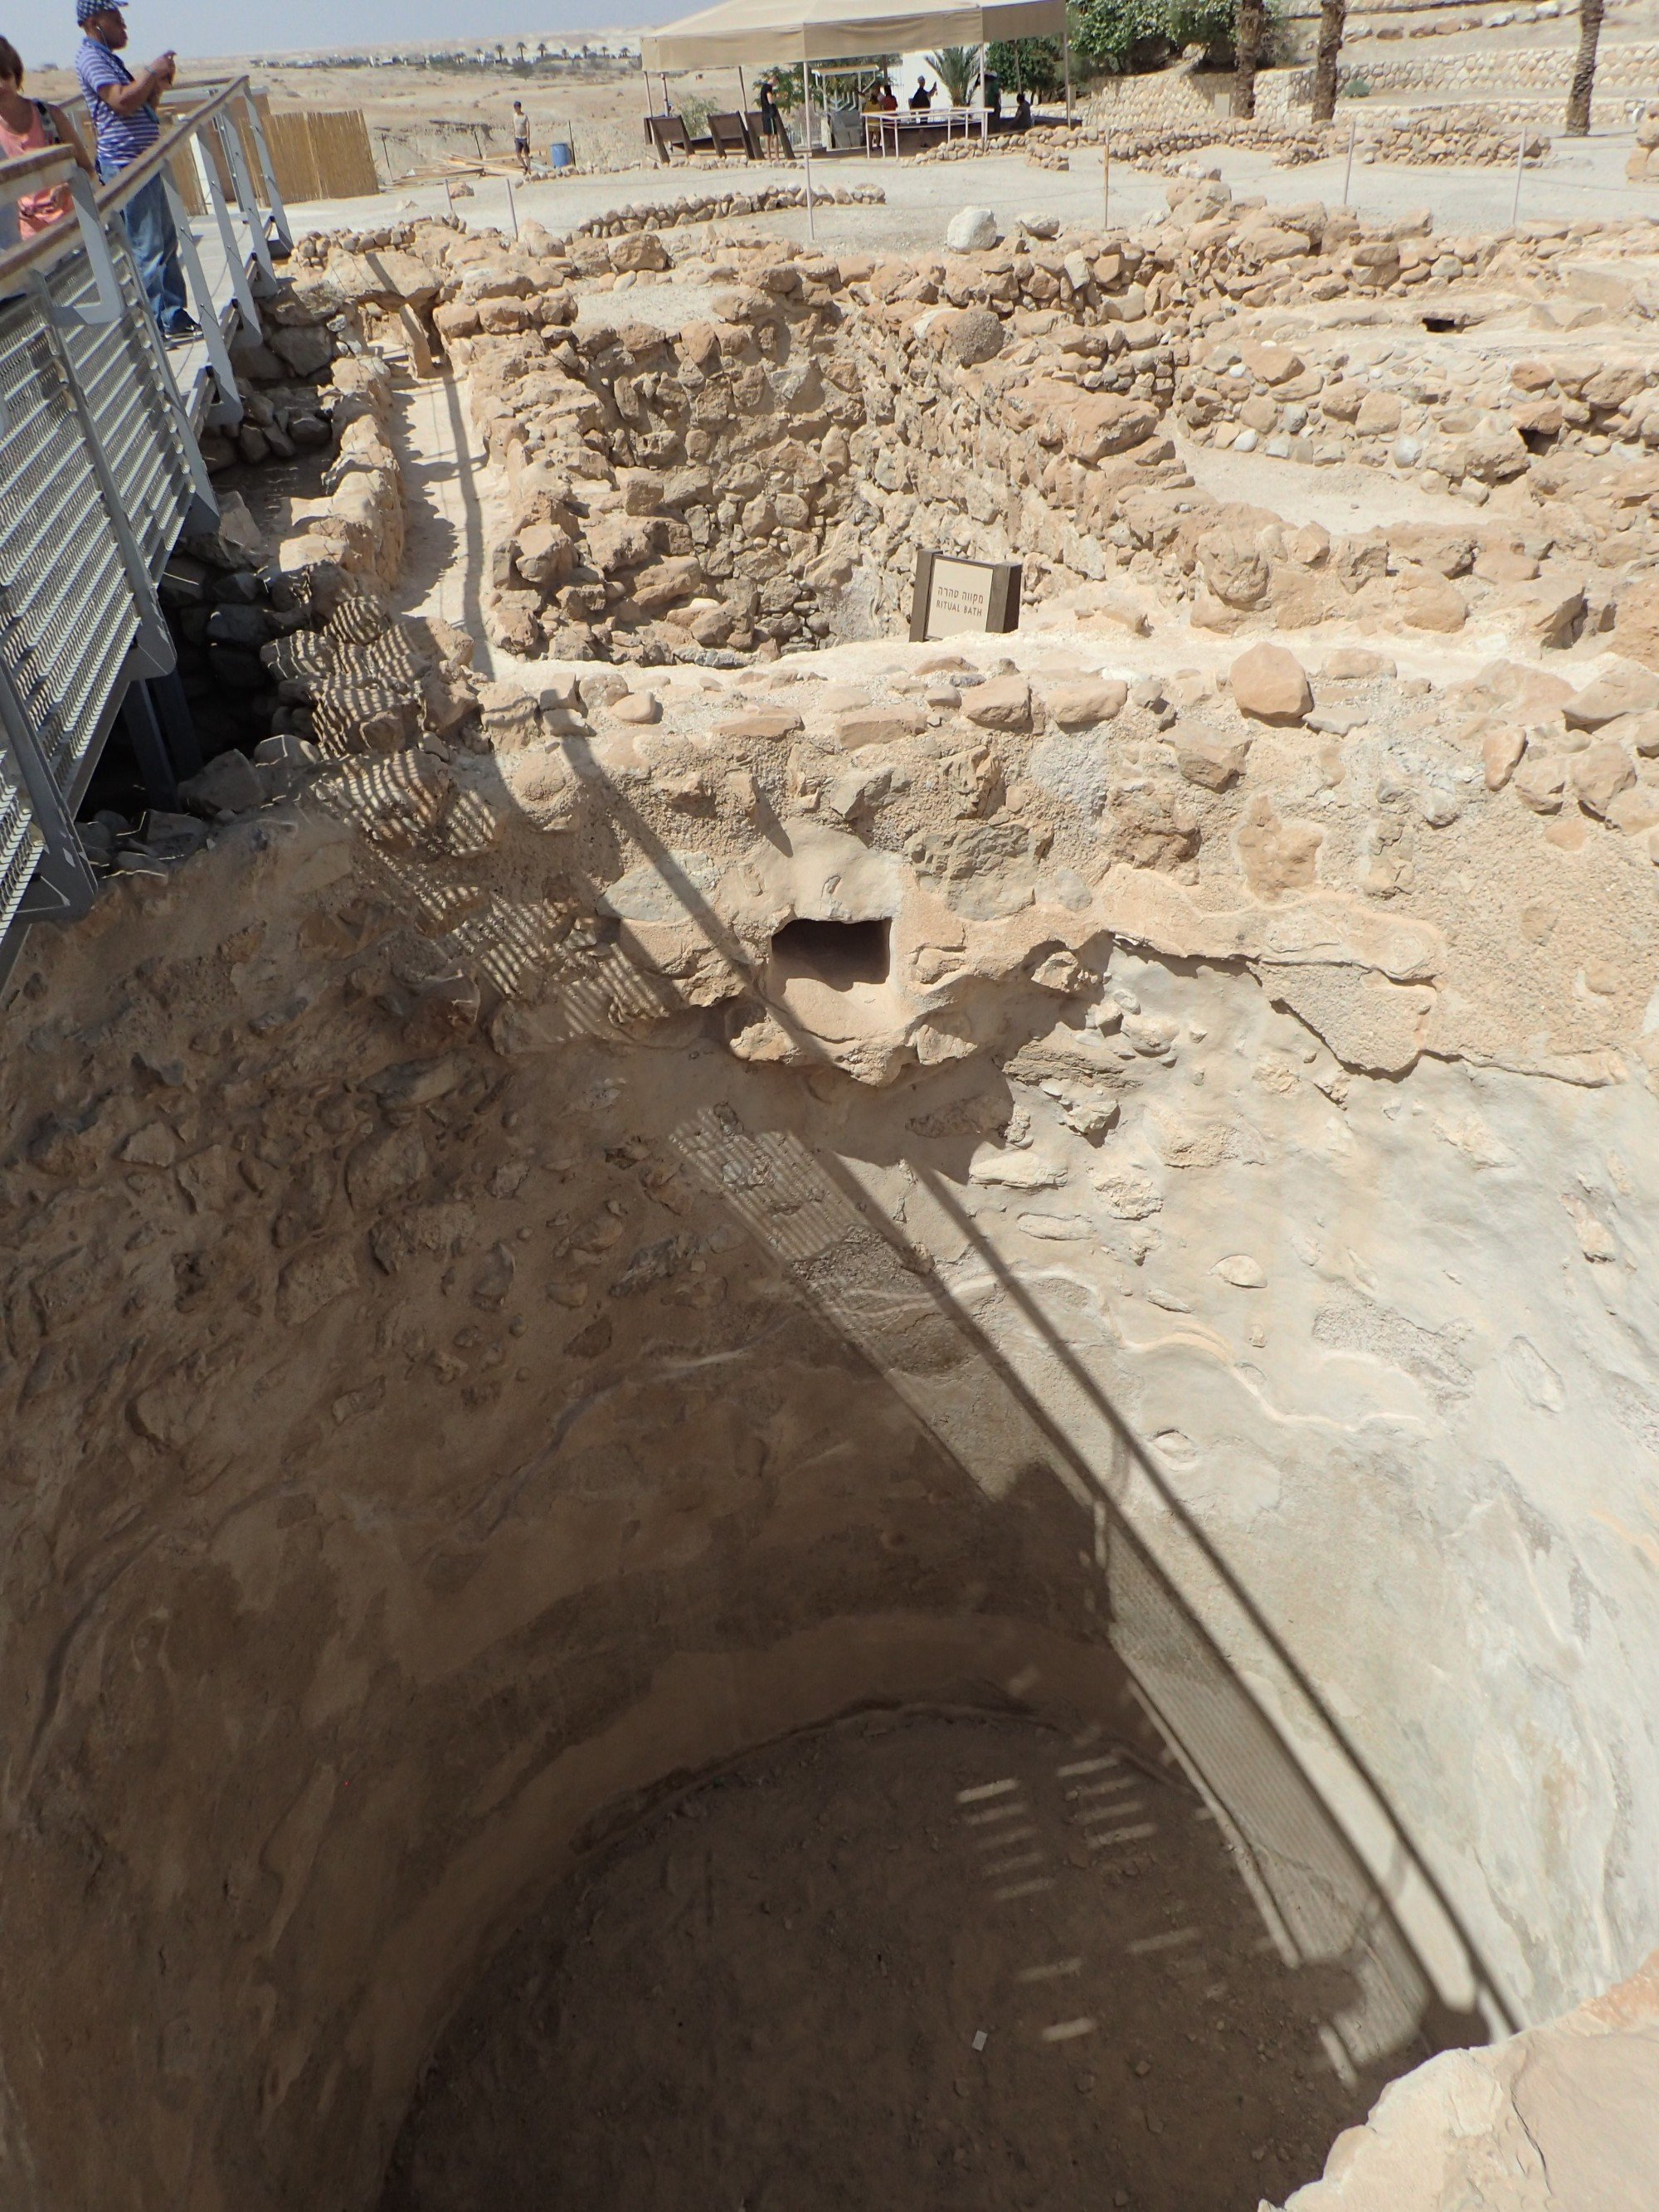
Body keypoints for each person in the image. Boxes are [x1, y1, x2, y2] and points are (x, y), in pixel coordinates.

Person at [74, 0, 199, 344]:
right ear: (95, 21)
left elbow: (141, 108)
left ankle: (174, 317)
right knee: (148, 248)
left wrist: (156, 84)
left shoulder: (108, 59)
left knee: (164, 242)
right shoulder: (91, 58)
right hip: (126, 165)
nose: (123, 26)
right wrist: (148, 71)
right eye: (116, 19)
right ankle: (158, 325)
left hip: (142, 161)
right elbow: (121, 102)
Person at [0, 35, 92, 238]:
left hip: (72, 226)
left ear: (15, 75)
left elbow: (87, 168)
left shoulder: (50, 116)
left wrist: (67, 189)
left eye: (4, 76)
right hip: (29, 236)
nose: (1, 86)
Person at [511, 96, 530, 172]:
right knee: (518, 154)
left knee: (526, 154)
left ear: (520, 107)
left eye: (517, 107)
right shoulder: (514, 116)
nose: (516, 109)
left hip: (524, 137)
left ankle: (529, 168)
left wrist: (528, 138)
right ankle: (524, 166)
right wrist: (514, 136)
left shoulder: (524, 116)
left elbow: (528, 127)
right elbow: (514, 126)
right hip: (517, 137)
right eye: (515, 107)